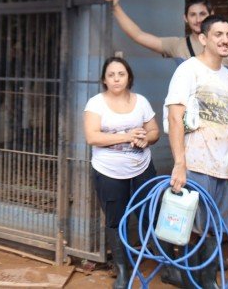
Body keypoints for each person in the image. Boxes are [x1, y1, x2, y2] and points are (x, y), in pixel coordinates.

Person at [165, 15, 228, 288]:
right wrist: (179, 163)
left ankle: (206, 280)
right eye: (218, 34)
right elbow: (176, 116)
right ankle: (189, 281)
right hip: (196, 162)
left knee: (216, 228)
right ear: (203, 39)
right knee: (192, 227)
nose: (225, 40)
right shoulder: (188, 70)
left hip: (222, 165)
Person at [84, 57, 160, 289]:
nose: (116, 78)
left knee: (151, 214)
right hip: (109, 172)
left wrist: (146, 139)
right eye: (111, 75)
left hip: (142, 167)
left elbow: (155, 130)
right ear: (104, 80)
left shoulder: (141, 102)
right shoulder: (95, 104)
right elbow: (92, 137)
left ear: (129, 78)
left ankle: (167, 267)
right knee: (117, 221)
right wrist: (127, 136)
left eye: (121, 74)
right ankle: (123, 272)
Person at [102, 0, 228, 94]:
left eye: (202, 14)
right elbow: (138, 35)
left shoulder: (227, 44)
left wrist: (217, 85)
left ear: (211, 14)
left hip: (224, 113)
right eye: (192, 15)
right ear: (185, 18)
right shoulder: (177, 45)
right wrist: (115, 7)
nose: (198, 19)